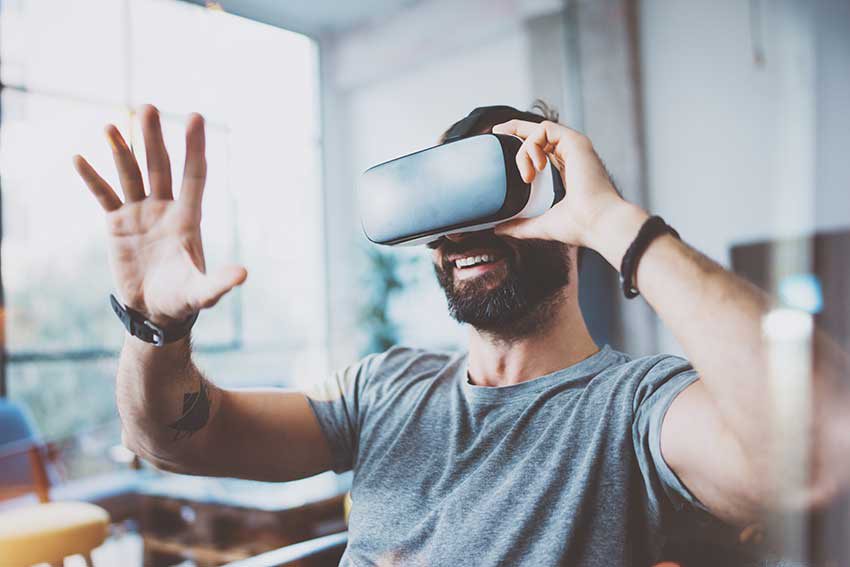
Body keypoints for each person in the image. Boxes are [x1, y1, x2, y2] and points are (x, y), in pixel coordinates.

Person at [73, 103, 849, 566]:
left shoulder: (635, 407)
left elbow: (820, 445)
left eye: (501, 198)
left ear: (563, 215)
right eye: (445, 210)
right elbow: (176, 440)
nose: (463, 232)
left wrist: (616, 223)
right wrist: (156, 326)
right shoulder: (384, 388)